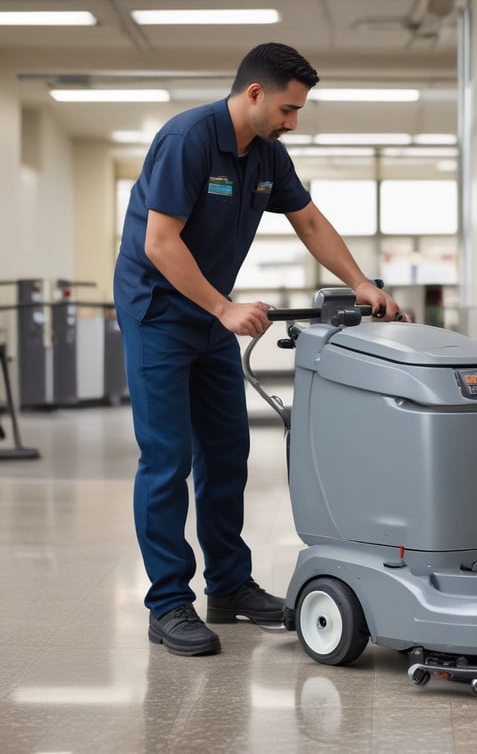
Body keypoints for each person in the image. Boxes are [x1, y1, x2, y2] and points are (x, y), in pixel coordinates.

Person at [113, 42, 403, 657]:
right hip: (160, 313)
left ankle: (229, 586)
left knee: (227, 451)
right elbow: (160, 243)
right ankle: (168, 602)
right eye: (289, 109)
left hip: (208, 316)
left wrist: (360, 282)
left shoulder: (268, 155)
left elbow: (310, 221)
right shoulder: (188, 139)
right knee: (167, 459)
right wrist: (222, 306)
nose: (293, 122)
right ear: (254, 93)